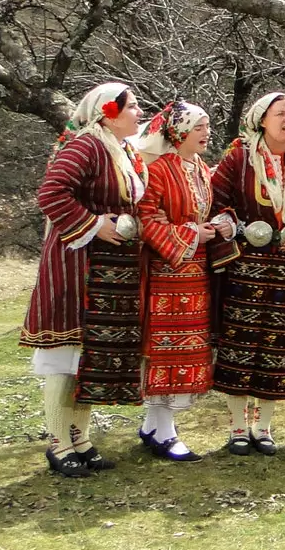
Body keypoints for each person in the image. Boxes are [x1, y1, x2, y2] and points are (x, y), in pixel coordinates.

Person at [20, 82, 148, 477]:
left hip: (109, 268)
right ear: (109, 111)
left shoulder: (122, 149)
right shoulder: (87, 145)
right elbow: (52, 193)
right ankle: (59, 443)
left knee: (90, 357)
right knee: (68, 352)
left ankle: (82, 439)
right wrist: (93, 223)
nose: (140, 112)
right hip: (77, 264)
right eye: (133, 106)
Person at [209, 92, 285, 455]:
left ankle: (263, 428)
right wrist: (232, 225)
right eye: (280, 114)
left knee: (276, 348)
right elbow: (217, 201)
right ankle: (236, 428)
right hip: (245, 263)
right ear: (262, 120)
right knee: (240, 344)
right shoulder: (238, 158)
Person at [134, 101, 229, 461]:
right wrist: (190, 235)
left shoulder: (202, 169)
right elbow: (147, 218)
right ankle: (164, 431)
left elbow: (209, 209)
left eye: (207, 126)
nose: (206, 133)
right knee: (167, 350)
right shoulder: (158, 170)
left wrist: (219, 225)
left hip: (196, 274)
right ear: (179, 131)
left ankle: (153, 425)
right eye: (199, 127)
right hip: (167, 273)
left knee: (188, 348)